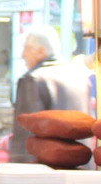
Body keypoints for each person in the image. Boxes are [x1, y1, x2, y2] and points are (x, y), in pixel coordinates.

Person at [10, 25, 92, 163]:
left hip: (46, 174)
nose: (22, 55)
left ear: (41, 51)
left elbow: (24, 136)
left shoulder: (33, 80)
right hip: (81, 167)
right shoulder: (80, 79)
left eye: (26, 48)